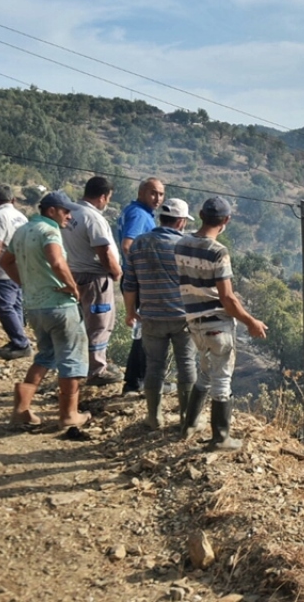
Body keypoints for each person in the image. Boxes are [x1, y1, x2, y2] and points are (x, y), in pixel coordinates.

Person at [175, 197, 267, 450]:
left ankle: (189, 424)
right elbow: (227, 298)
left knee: (205, 372)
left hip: (194, 322)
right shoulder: (218, 252)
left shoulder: (181, 244)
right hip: (217, 324)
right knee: (222, 379)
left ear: (200, 214)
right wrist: (251, 322)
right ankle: (221, 437)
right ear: (226, 220)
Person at [0, 191, 92, 429]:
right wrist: (73, 287)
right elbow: (57, 261)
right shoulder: (50, 231)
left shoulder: (22, 231)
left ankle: (21, 410)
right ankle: (69, 415)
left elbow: (5, 262)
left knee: (46, 356)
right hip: (60, 306)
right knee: (71, 358)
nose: (69, 216)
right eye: (65, 211)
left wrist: (27, 284)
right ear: (52, 211)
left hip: (35, 307)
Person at [122, 198, 196, 430]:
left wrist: (130, 311)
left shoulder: (139, 244)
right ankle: (187, 420)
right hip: (183, 317)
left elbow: (129, 284)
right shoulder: (187, 245)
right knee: (186, 364)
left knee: (154, 366)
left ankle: (154, 418)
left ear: (161, 218)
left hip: (151, 316)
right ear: (181, 221)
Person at [62, 176, 123, 385]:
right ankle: (96, 370)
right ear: (103, 197)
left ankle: (79, 365)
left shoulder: (72, 212)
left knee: (81, 324)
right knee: (100, 324)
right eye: (108, 198)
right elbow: (104, 251)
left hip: (74, 273)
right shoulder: (93, 218)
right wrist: (116, 272)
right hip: (95, 279)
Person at [116, 177, 165, 394]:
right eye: (153, 193)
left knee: (143, 331)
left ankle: (137, 380)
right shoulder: (138, 214)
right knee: (146, 331)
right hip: (137, 281)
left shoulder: (137, 211)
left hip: (133, 279)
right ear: (141, 192)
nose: (157, 198)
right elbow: (128, 246)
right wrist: (141, 272)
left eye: (161, 194)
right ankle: (135, 382)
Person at [0, 184, 32, 359]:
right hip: (20, 268)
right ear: (13, 200)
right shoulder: (21, 217)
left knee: (4, 306)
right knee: (15, 305)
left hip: (3, 270)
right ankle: (17, 340)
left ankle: (21, 343)